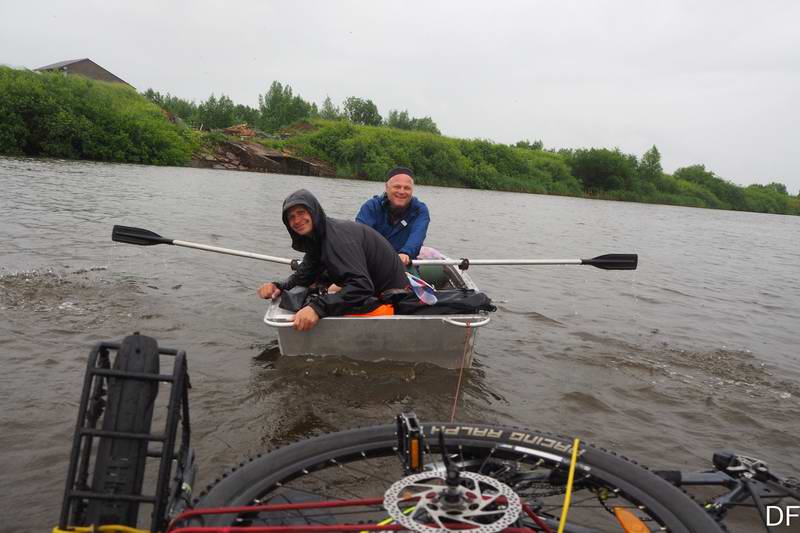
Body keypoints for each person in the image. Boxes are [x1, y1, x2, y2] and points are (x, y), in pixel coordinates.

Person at [257, 189, 408, 331]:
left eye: (301, 212)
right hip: (373, 287)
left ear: (314, 211)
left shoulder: (338, 238)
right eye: (291, 217)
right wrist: (278, 286)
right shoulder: (318, 237)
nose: (297, 220)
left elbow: (361, 286)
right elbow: (304, 276)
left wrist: (317, 308)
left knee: (319, 301)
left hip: (393, 298)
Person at [356, 166, 430, 267]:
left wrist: (406, 253)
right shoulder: (371, 207)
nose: (402, 191)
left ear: (412, 190)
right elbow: (360, 236)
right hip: (371, 262)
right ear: (387, 187)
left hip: (404, 264)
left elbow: (417, 236)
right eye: (397, 187)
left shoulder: (420, 210)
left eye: (407, 188)